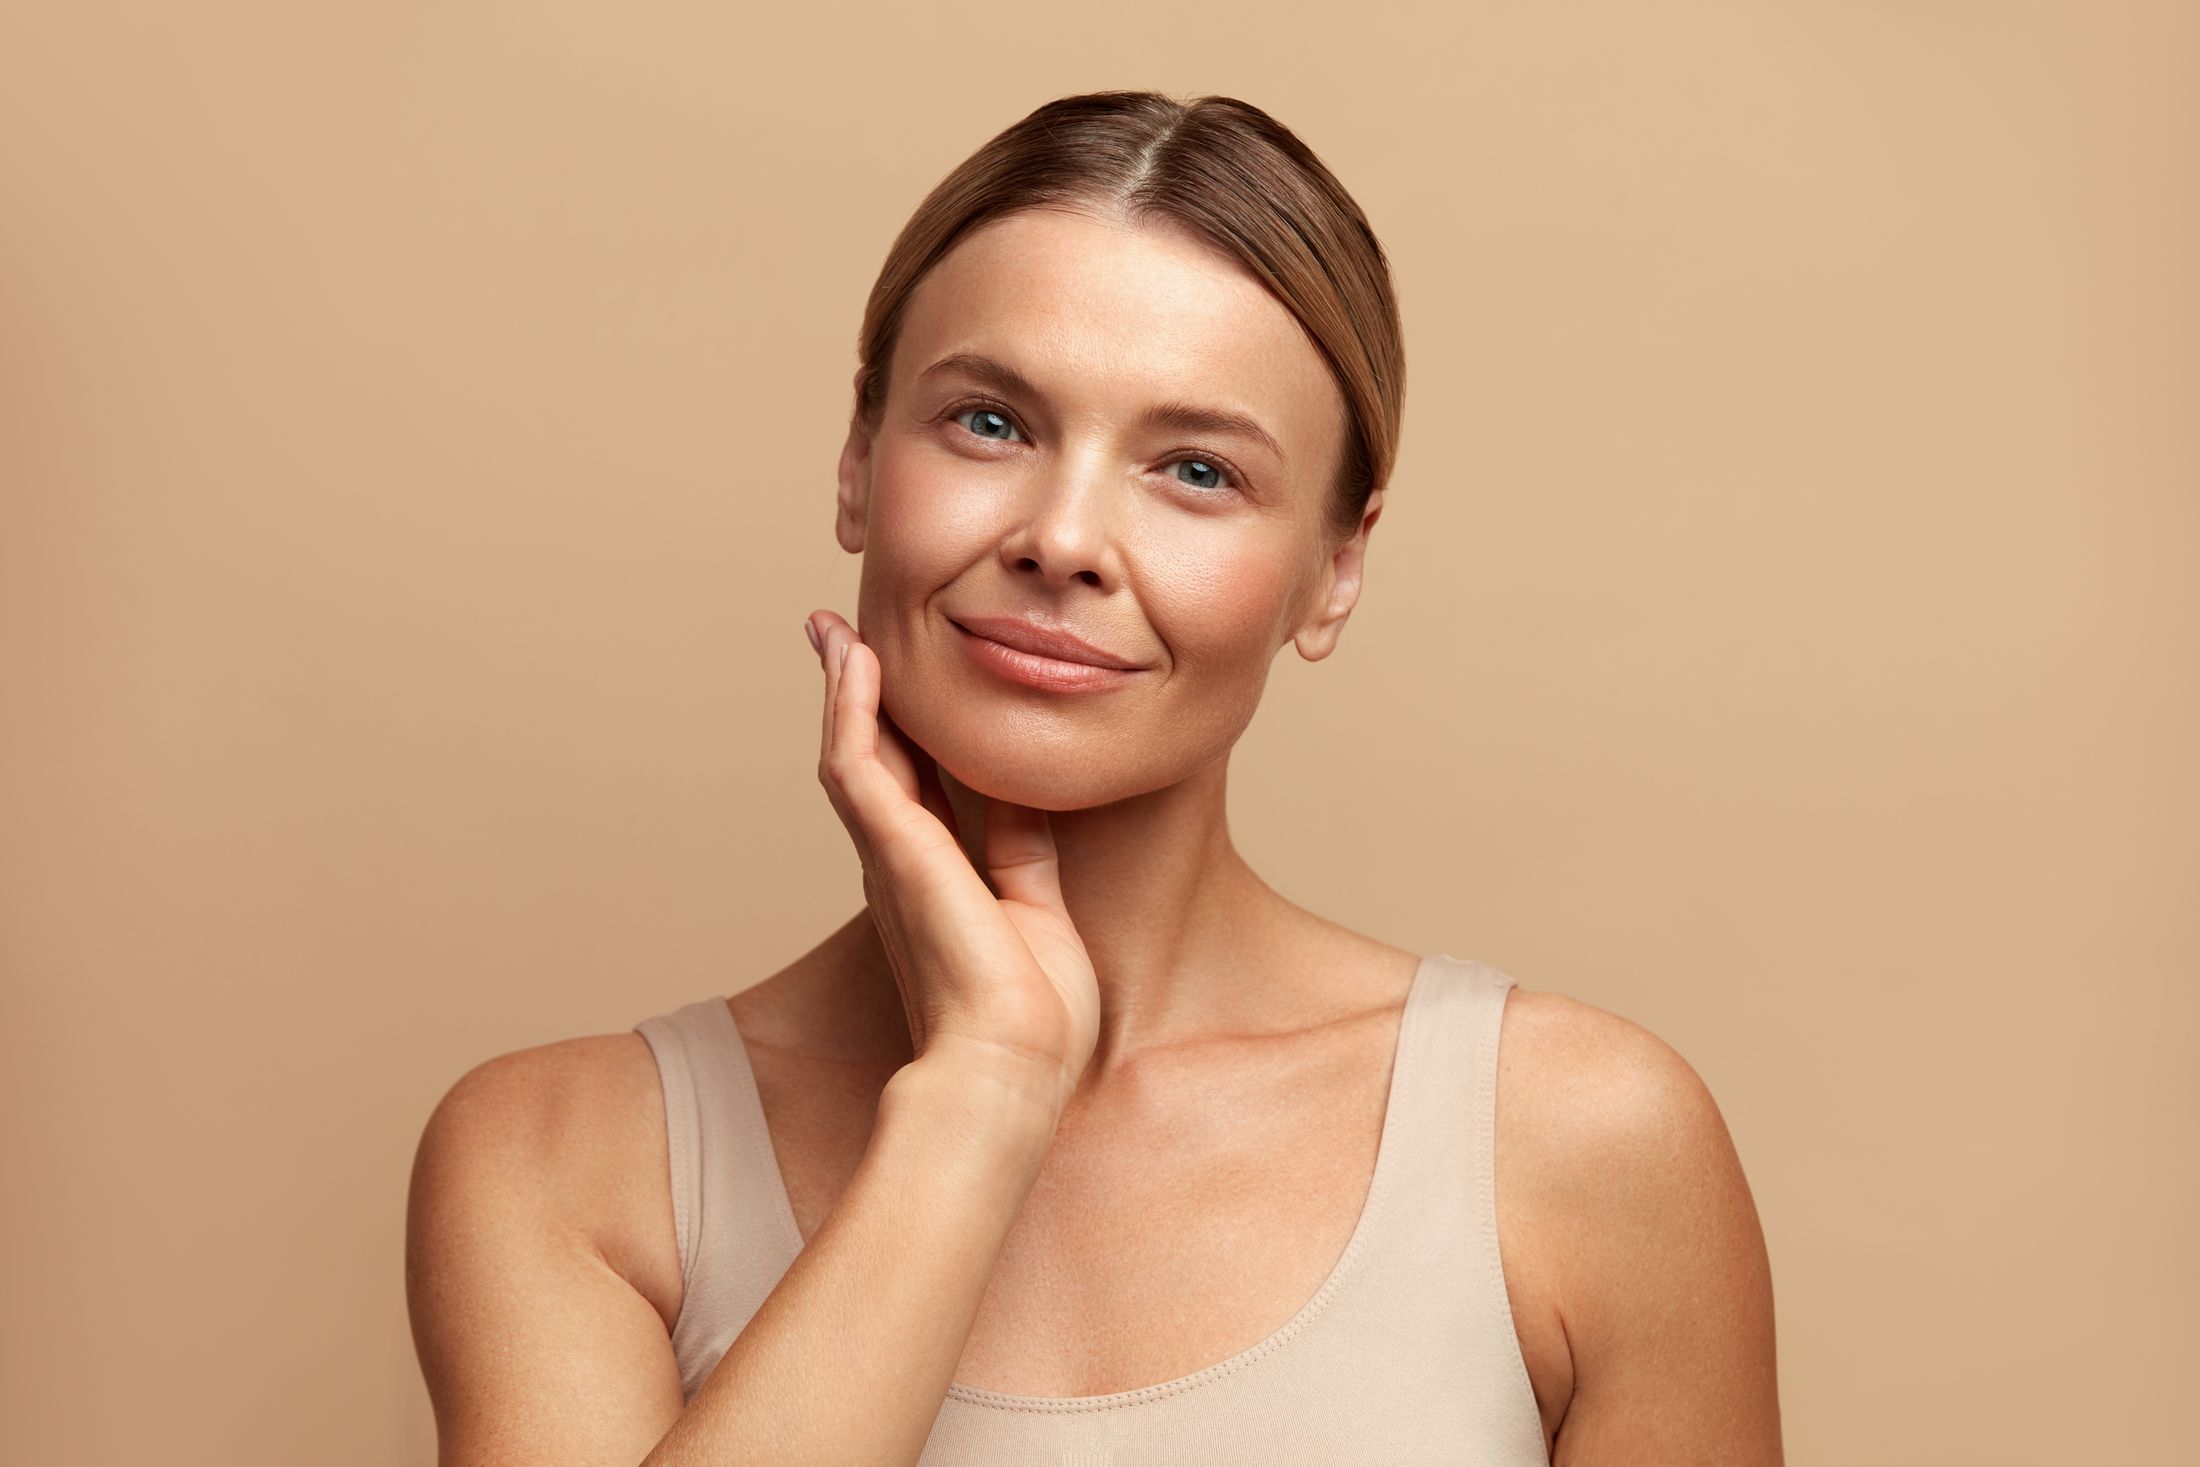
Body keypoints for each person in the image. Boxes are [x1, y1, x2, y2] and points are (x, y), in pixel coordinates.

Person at [405, 90, 1783, 1465]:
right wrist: (980, 1097)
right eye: (990, 424)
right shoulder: (561, 1162)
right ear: (857, 460)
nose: (1063, 540)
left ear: (1336, 569)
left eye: (1196, 470)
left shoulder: (1578, 1144)